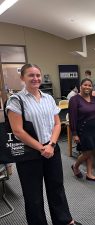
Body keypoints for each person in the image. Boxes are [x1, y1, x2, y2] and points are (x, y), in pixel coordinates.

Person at [6, 64, 81, 225]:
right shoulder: (16, 100)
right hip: (29, 153)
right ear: (22, 78)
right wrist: (41, 148)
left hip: (52, 148)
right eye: (31, 75)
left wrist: (51, 145)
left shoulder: (48, 98)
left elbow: (57, 124)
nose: (36, 78)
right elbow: (18, 131)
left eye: (38, 75)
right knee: (33, 195)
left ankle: (63, 220)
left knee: (57, 187)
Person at [69, 78, 95, 182]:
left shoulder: (94, 98)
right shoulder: (74, 100)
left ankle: (89, 174)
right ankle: (75, 166)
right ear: (80, 86)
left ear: (92, 87)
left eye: (89, 85)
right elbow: (72, 117)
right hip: (82, 130)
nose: (87, 87)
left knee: (91, 151)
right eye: (85, 85)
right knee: (86, 153)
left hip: (93, 129)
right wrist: (74, 133)